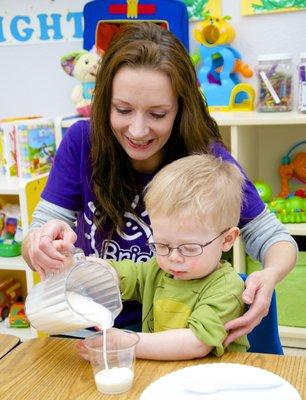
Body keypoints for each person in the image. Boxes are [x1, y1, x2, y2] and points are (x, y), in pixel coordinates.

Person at [22, 22, 297, 345]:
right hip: (85, 323)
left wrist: (270, 274)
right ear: (104, 102)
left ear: (181, 108)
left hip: (172, 330)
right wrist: (42, 244)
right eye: (123, 110)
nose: (138, 131)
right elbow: (39, 233)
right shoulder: (82, 141)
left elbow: (272, 237)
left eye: (157, 114)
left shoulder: (205, 160)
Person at [78, 154, 249, 360]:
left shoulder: (226, 287)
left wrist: (126, 343)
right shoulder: (158, 269)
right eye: (162, 245)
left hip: (215, 380)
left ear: (227, 239)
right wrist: (84, 266)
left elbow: (196, 343)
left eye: (190, 248)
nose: (174, 257)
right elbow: (117, 274)